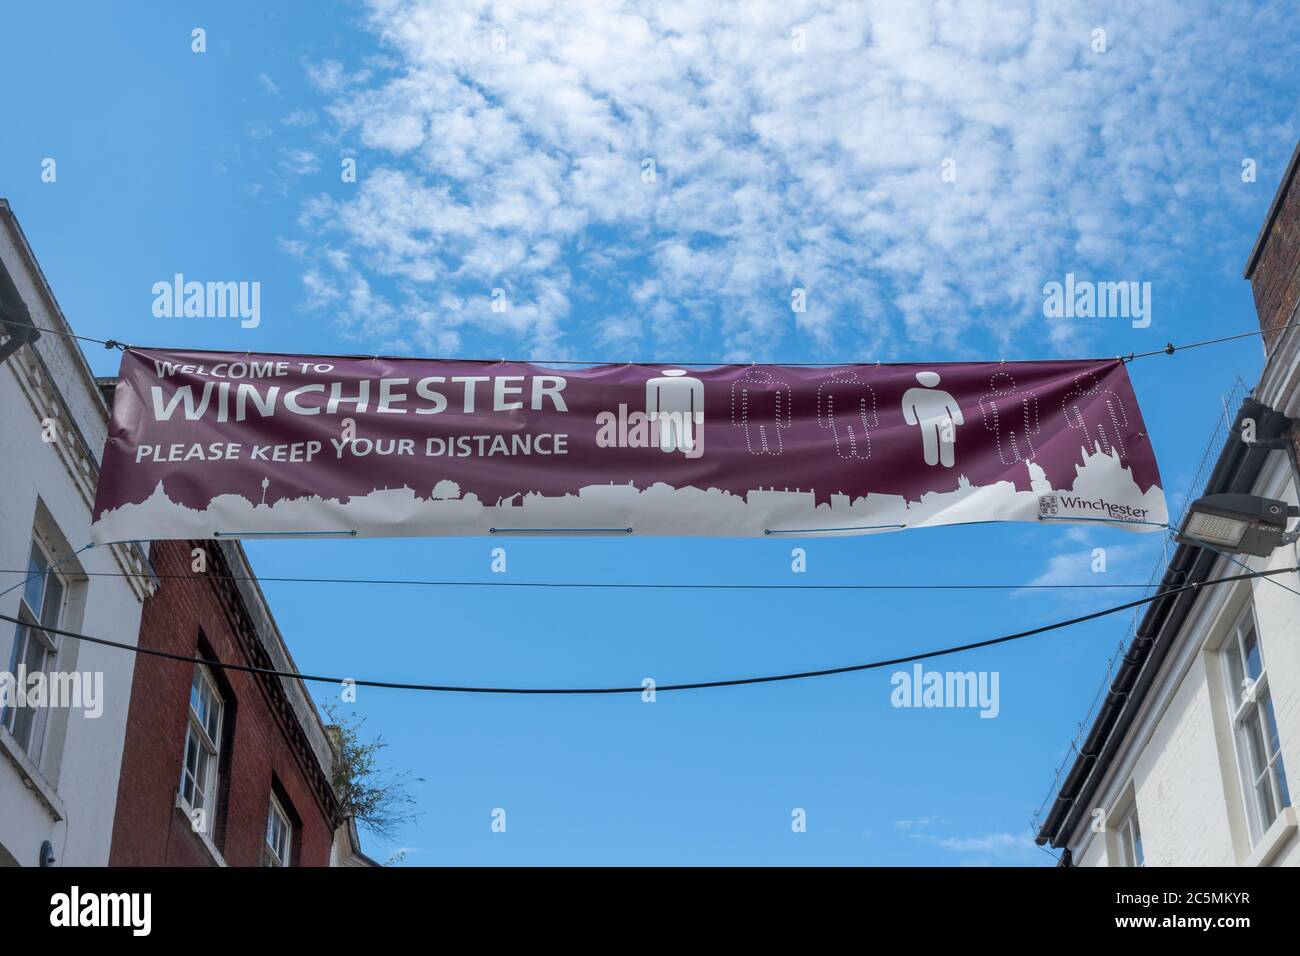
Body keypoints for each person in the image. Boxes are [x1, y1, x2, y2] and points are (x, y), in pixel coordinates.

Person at [901, 370, 963, 467]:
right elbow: (907, 406)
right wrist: (911, 420)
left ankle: (943, 460)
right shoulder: (913, 392)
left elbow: (954, 408)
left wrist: (911, 420)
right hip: (931, 421)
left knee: (943, 440)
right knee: (931, 439)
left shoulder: (943, 394)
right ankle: (933, 460)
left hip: (944, 421)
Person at [646, 369, 704, 455]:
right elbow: (698, 396)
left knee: (677, 432)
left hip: (675, 413)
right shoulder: (694, 382)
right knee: (672, 432)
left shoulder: (653, 382)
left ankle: (676, 448)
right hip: (675, 413)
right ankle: (675, 448)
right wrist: (697, 415)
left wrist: (651, 414)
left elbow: (697, 396)